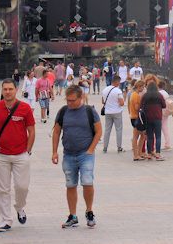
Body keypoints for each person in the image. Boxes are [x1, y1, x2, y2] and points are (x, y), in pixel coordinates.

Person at [0, 79, 36, 233]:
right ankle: (6, 220)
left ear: (16, 90)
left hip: (21, 154)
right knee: (2, 189)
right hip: (1, 154)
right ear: (1, 91)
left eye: (10, 89)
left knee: (22, 186)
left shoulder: (25, 108)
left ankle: (20, 207)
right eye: (5, 89)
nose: (7, 92)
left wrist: (28, 150)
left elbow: (31, 130)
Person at [52, 84, 102, 229]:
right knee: (70, 184)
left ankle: (89, 210)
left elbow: (99, 131)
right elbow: (56, 132)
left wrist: (91, 150)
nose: (70, 103)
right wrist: (54, 151)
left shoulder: (89, 111)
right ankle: (72, 215)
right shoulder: (63, 112)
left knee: (87, 181)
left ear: (81, 98)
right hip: (68, 154)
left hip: (85, 154)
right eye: (68, 100)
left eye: (73, 100)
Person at [140, 81, 167, 160]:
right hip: (157, 118)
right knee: (158, 136)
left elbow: (141, 106)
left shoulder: (145, 96)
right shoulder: (159, 95)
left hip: (148, 118)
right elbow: (164, 105)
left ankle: (149, 153)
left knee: (149, 136)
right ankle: (158, 154)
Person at [101, 75, 125, 153]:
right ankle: (119, 147)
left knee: (107, 130)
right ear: (117, 82)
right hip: (117, 112)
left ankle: (105, 147)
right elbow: (121, 103)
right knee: (118, 130)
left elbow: (103, 101)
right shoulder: (118, 91)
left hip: (108, 112)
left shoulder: (105, 90)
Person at [128, 80, 147, 161]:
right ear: (139, 87)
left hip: (133, 117)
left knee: (142, 136)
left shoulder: (133, 94)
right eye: (142, 87)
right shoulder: (136, 96)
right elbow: (137, 108)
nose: (143, 88)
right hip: (136, 118)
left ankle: (139, 153)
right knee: (136, 136)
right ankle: (136, 155)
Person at [158, 80, 173, 151]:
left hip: (160, 111)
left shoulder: (158, 93)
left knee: (157, 128)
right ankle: (167, 144)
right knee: (165, 127)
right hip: (166, 112)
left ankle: (155, 144)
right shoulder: (166, 93)